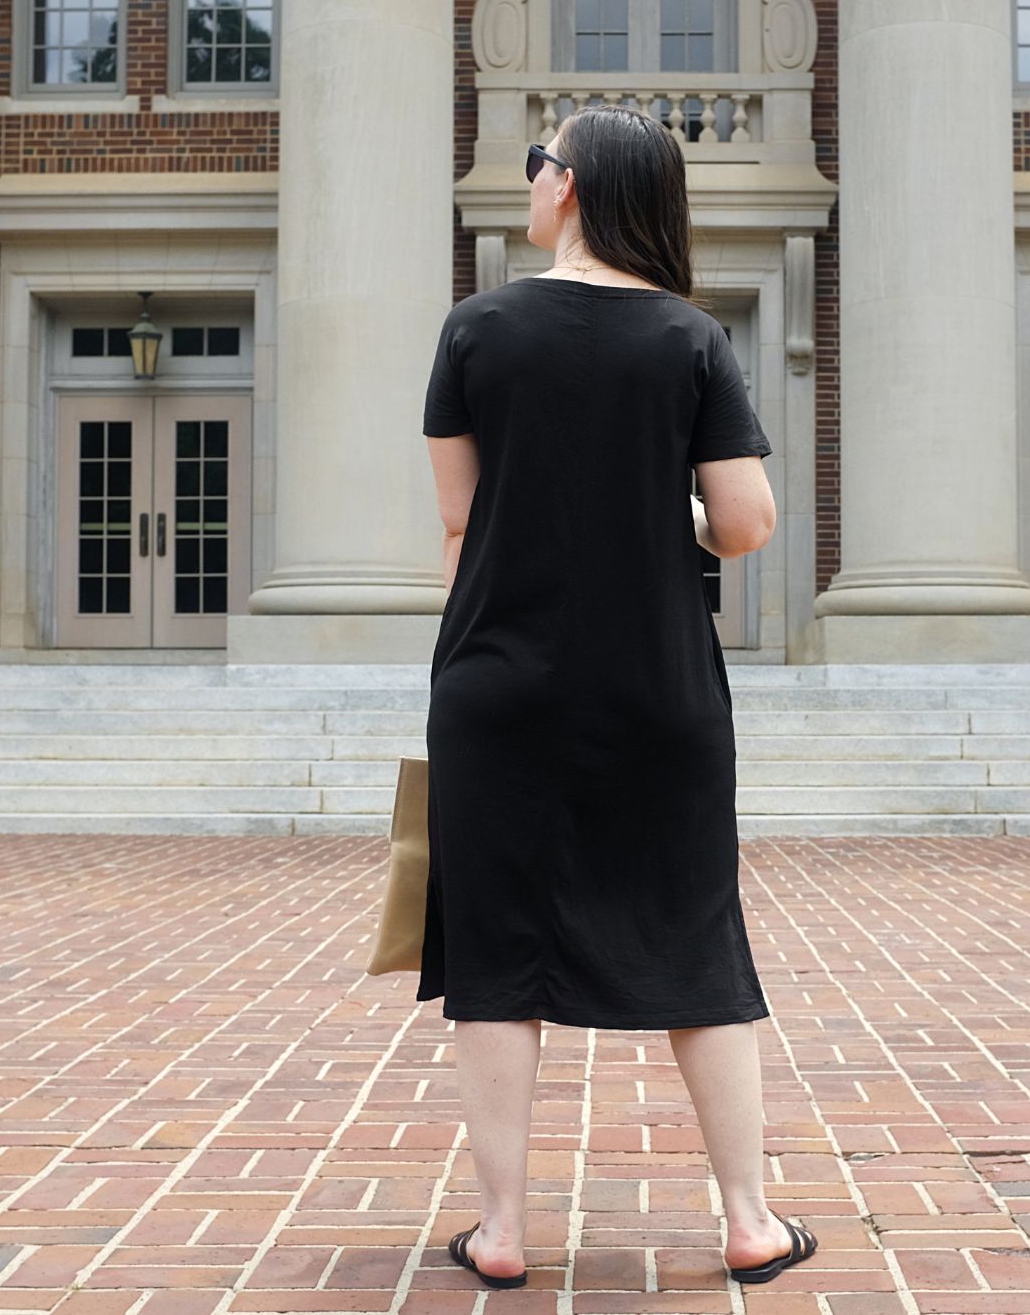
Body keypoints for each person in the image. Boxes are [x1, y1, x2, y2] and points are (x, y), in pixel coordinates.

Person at [417, 102, 818, 1290]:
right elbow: (743, 524)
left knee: (497, 957)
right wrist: (662, 518)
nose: (528, 180)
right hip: (657, 690)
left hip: (498, 688)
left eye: (537, 164)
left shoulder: (475, 330)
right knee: (696, 937)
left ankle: (498, 1231)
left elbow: (457, 520)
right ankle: (747, 1219)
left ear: (572, 187)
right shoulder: (689, 340)